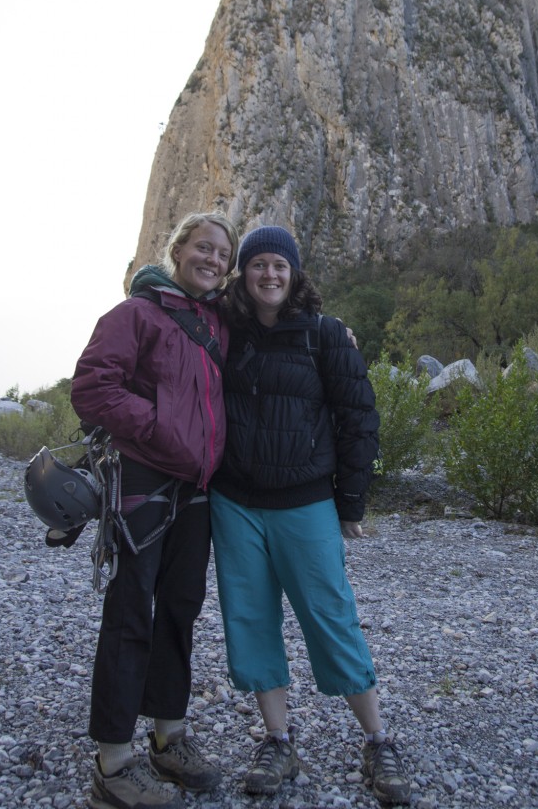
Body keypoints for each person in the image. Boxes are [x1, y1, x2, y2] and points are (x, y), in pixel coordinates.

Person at [210, 225, 411, 806]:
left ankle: (377, 739)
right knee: (249, 620)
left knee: (331, 617)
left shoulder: (325, 336)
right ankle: (278, 739)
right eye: (258, 266)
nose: (269, 275)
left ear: (294, 273)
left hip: (305, 503)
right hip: (235, 503)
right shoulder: (221, 333)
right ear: (243, 274)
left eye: (280, 265)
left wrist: (350, 502)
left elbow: (359, 421)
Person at [71, 211, 239, 809]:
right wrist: (159, 431)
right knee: (129, 613)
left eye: (222, 253)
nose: (212, 259)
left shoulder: (219, 325)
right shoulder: (134, 315)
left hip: (196, 491)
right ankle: (113, 764)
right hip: (143, 480)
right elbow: (92, 388)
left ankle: (169, 736)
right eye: (203, 247)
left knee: (180, 609)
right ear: (178, 250)